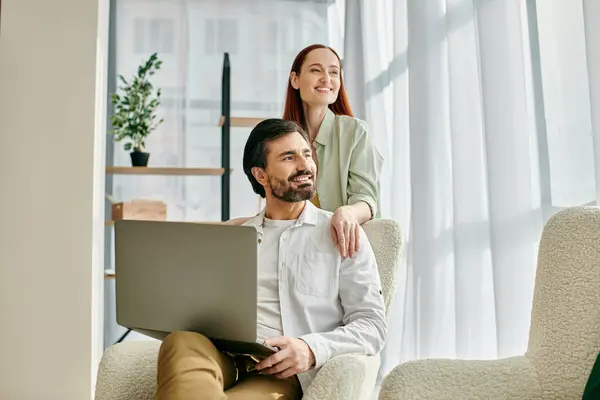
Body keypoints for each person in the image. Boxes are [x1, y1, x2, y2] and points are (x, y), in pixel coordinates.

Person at [156, 119, 387, 400]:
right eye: (288, 157)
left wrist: (310, 348)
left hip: (277, 369)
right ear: (261, 175)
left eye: (306, 154)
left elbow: (371, 325)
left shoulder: (342, 233)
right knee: (180, 341)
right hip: (219, 353)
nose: (304, 165)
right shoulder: (236, 236)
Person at [228, 44, 384, 259]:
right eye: (316, 70)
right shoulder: (280, 137)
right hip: (294, 247)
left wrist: (346, 213)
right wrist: (249, 222)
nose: (326, 79)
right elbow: (280, 204)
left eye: (334, 72)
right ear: (295, 80)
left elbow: (367, 200)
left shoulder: (355, 131)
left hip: (339, 249)